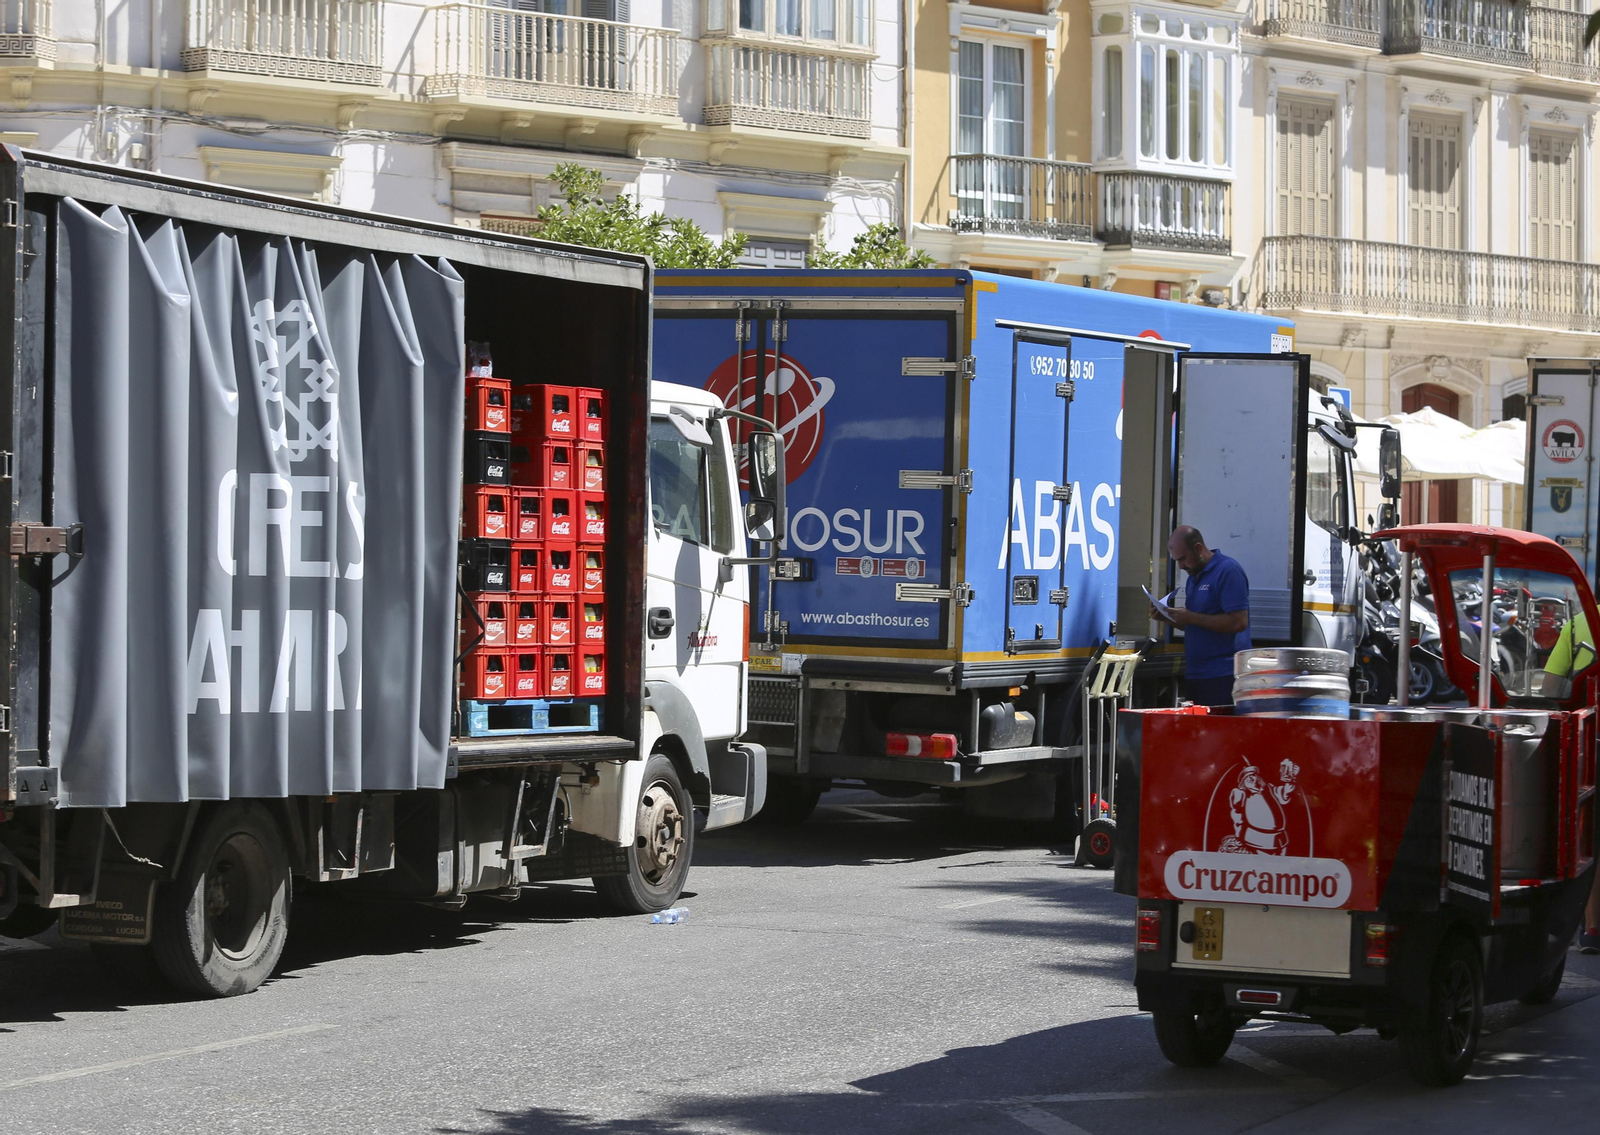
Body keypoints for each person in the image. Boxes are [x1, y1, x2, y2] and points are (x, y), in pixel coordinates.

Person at [1542, 608, 1600, 953]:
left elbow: (1552, 687)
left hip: (1590, 743)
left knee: (1590, 836)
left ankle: (1593, 928)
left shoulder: (1579, 623)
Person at [1158, 525, 1251, 707]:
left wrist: (1190, 617)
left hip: (1224, 674)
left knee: (1221, 732)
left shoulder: (1228, 571)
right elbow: (1197, 624)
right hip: (1196, 674)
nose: (1181, 566)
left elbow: (1239, 622)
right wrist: (1166, 616)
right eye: (1177, 561)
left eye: (1183, 559)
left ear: (1198, 548)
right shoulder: (1194, 576)